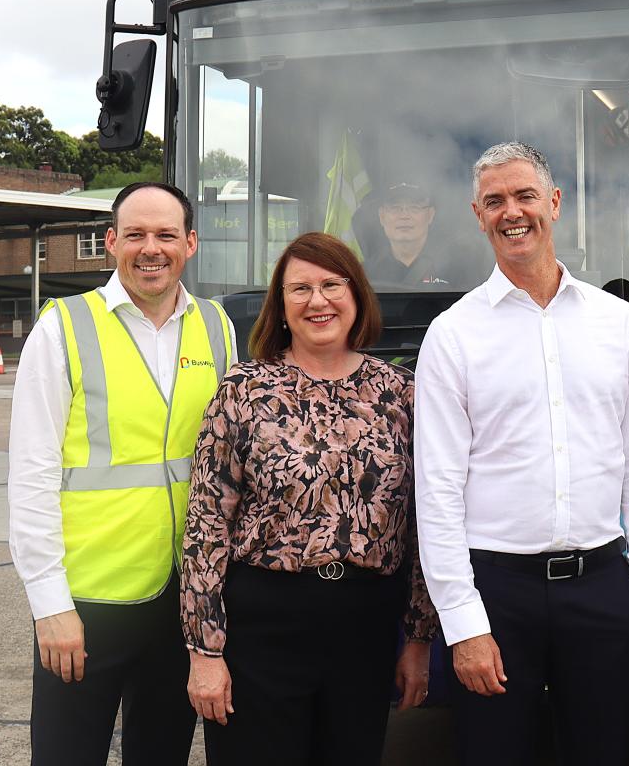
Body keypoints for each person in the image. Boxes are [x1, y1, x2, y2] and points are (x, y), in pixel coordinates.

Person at [414, 142, 629, 766]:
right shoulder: (453, 334)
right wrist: (463, 621)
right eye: (495, 201)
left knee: (602, 752)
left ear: (553, 203)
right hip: (497, 594)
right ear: (478, 215)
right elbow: (437, 489)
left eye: (525, 195)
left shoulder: (616, 323)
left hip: (605, 588)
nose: (512, 212)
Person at [180, 231, 438, 766]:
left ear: (357, 295)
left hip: (364, 627)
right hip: (263, 628)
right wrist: (205, 652)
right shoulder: (243, 391)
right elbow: (207, 524)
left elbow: (422, 525)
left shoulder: (400, 394)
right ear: (280, 306)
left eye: (330, 285)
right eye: (299, 289)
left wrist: (418, 638)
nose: (317, 301)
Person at [8, 181, 236, 766]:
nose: (150, 248)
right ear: (111, 242)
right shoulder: (63, 326)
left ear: (191, 244)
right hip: (88, 601)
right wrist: (48, 604)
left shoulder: (217, 326)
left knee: (160, 754)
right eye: (135, 234)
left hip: (182, 600)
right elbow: (32, 476)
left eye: (165, 234)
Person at [366, 181, 451, 287]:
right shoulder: (365, 273)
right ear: (382, 216)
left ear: (430, 215)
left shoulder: (453, 267)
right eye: (395, 208)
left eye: (414, 208)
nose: (404, 216)